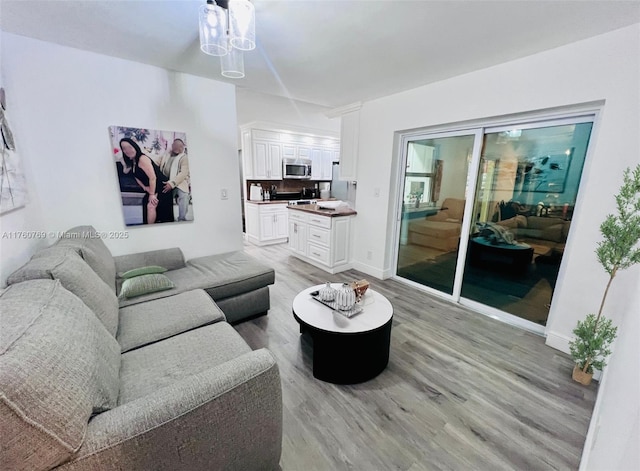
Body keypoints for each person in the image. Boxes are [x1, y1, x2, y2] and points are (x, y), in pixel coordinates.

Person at [119, 138, 174, 224]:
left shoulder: (142, 159)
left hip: (162, 186)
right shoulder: (132, 161)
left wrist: (152, 194)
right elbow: (135, 176)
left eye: (129, 147)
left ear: (135, 146)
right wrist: (144, 187)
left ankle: (150, 231)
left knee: (151, 205)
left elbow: (153, 178)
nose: (127, 150)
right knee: (146, 202)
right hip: (152, 186)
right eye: (124, 148)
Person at [159, 138, 191, 221]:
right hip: (166, 181)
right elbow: (158, 161)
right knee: (162, 195)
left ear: (183, 147)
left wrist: (172, 183)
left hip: (179, 182)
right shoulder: (166, 155)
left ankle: (182, 218)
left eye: (180, 146)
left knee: (183, 195)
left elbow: (183, 173)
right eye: (176, 145)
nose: (178, 148)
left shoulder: (184, 157)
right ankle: (164, 218)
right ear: (172, 146)